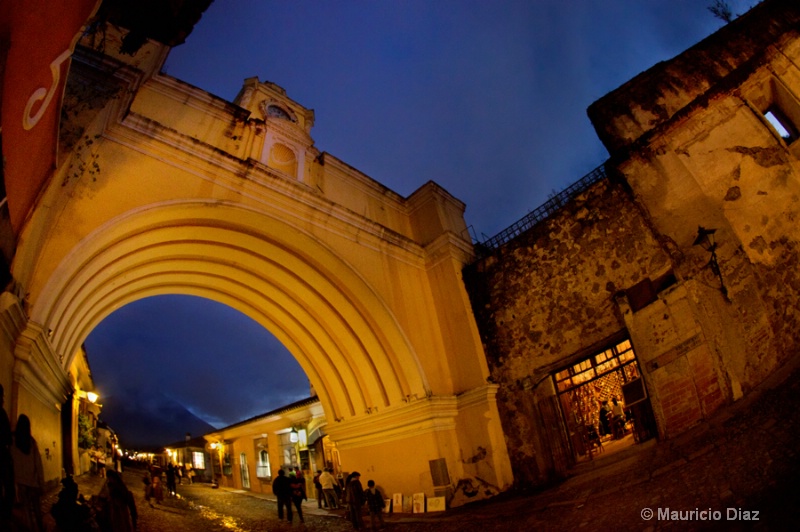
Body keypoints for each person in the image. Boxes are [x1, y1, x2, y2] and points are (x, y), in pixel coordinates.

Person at [11, 414, 45, 532]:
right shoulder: (31, 442)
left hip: (21, 482)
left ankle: (30, 529)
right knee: (37, 510)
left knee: (26, 511)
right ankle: (41, 528)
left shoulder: (12, 441)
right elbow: (38, 464)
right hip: (33, 482)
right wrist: (41, 482)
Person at [0, 384, 14, 526]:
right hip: (2, 455)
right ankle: (5, 515)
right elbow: (7, 438)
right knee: (8, 486)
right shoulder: (2, 414)